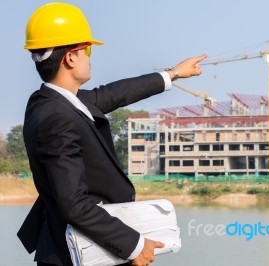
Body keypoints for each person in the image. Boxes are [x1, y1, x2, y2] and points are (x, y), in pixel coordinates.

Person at [17, 2, 207, 266]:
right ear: (71, 58)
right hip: (75, 254)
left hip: (80, 245)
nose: (90, 56)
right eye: (87, 49)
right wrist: (134, 245)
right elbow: (74, 204)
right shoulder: (58, 119)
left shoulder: (47, 102)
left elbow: (113, 93)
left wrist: (172, 74)